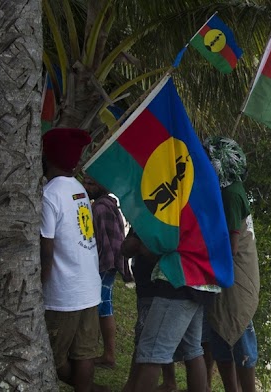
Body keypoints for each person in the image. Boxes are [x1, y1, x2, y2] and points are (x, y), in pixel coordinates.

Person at [40, 128, 108, 392]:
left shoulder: (49, 195)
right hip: (89, 288)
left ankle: (88, 388)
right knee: (84, 353)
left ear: (50, 158)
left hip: (63, 293)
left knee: (52, 358)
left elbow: (47, 251)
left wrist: (38, 289)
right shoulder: (78, 188)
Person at [203, 136, 260, 392]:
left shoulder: (230, 194)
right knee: (221, 333)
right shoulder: (228, 188)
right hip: (228, 274)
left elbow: (232, 246)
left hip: (234, 275)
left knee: (238, 331)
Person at [124, 228, 210, 392]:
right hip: (199, 278)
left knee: (152, 354)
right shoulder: (203, 205)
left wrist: (142, 244)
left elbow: (161, 243)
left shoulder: (177, 204)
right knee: (193, 349)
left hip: (176, 278)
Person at [121, 230, 180, 392]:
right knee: (154, 339)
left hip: (156, 287)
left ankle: (132, 384)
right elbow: (125, 249)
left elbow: (159, 251)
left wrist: (140, 244)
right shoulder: (142, 217)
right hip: (145, 288)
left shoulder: (157, 217)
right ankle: (169, 382)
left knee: (145, 340)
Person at [82, 176, 130, 369]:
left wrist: (99, 266)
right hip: (109, 263)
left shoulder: (100, 208)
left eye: (90, 183)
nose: (86, 187)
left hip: (104, 264)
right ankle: (106, 353)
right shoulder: (108, 204)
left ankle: (107, 354)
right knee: (104, 307)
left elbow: (102, 241)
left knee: (102, 308)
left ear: (101, 185)